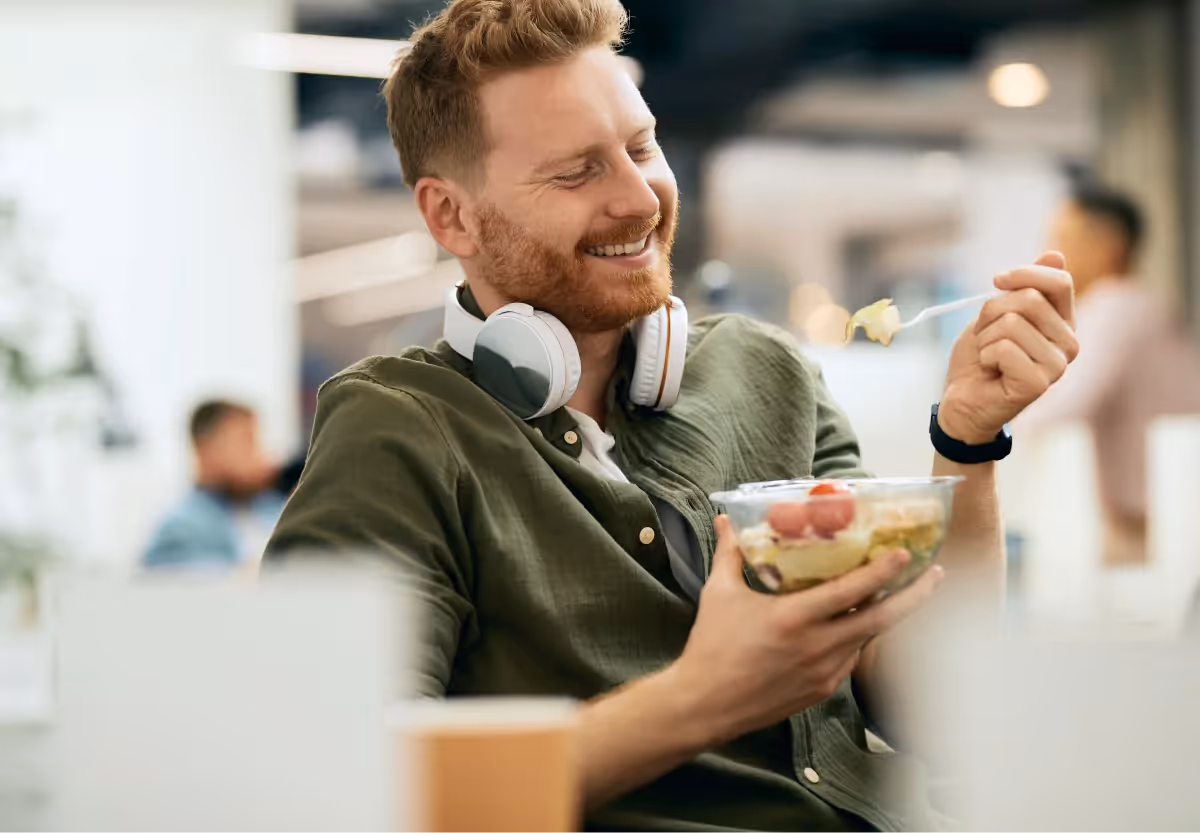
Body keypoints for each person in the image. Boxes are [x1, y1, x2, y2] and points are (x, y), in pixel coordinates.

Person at [266, 2, 1078, 829]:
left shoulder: (768, 374)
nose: (639, 197)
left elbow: (934, 704)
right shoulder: (398, 429)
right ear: (451, 215)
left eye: (641, 146)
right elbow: (341, 783)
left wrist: (968, 439)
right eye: (577, 171)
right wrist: (699, 698)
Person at [1020, 183, 1200, 564]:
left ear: (1108, 246)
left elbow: (1065, 403)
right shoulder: (1141, 303)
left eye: (1063, 240)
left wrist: (988, 426)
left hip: (1149, 517)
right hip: (1162, 507)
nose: (1049, 254)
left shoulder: (1113, 305)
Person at [143, 400, 287, 571]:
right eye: (247, 441)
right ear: (204, 448)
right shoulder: (179, 529)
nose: (260, 455)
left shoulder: (274, 510)